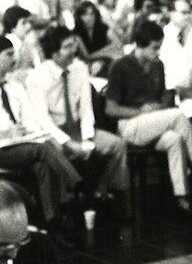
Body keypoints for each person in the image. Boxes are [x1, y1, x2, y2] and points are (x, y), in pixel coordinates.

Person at [0, 32, 83, 235]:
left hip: (24, 143)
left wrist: (29, 131)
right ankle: (75, 183)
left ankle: (52, 221)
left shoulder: (15, 86)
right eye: (8, 54)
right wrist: (2, 133)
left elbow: (32, 119)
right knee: (44, 150)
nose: (14, 59)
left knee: (44, 160)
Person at [106, 19, 192, 212]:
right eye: (154, 47)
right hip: (129, 125)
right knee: (178, 115)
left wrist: (160, 105)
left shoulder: (157, 65)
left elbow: (162, 98)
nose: (158, 52)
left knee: (175, 139)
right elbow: (110, 109)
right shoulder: (120, 66)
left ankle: (182, 196)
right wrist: (141, 111)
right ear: (140, 45)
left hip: (154, 123)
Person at [27, 24, 128, 203]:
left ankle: (105, 191)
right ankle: (65, 202)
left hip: (79, 127)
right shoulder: (38, 77)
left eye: (73, 44)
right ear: (55, 53)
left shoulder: (79, 68)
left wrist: (87, 138)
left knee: (116, 145)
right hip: (54, 132)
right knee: (55, 153)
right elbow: (43, 119)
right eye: (67, 47)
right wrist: (68, 143)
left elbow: (86, 109)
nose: (74, 50)